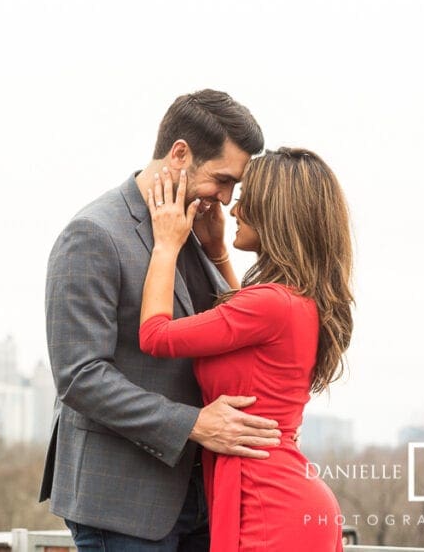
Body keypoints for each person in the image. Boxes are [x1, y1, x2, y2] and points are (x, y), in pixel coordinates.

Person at [40, 90, 283, 551]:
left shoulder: (194, 229)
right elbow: (79, 377)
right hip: (122, 503)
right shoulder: (93, 234)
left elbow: (226, 332)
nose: (229, 200)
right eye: (222, 180)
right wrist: (193, 424)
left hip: (201, 501)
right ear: (180, 154)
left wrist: (217, 253)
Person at [139, 147, 353, 551]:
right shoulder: (293, 301)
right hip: (279, 498)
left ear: (273, 211)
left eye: (244, 199)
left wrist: (166, 244)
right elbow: (242, 327)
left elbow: (155, 334)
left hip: (268, 508)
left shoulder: (271, 304)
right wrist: (218, 253)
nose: (232, 209)